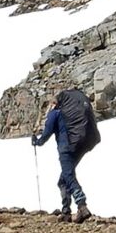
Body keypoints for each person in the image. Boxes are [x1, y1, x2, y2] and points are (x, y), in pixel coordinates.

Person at [32, 94, 94, 224]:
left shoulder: (55, 113)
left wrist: (37, 142)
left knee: (68, 176)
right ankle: (66, 212)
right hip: (79, 146)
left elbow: (47, 132)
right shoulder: (69, 115)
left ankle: (82, 205)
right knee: (63, 180)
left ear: (54, 103)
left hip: (65, 148)